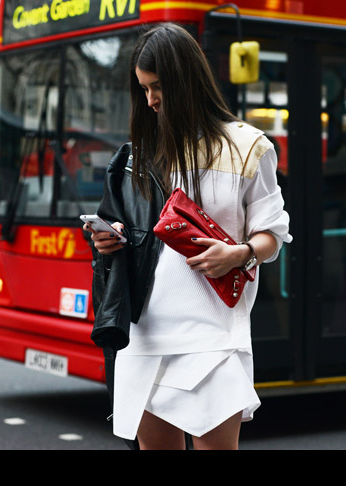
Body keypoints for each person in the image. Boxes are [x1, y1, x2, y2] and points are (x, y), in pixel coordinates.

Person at [85, 23, 292, 450]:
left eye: (158, 86)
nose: (151, 100)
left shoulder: (249, 147)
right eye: (143, 89)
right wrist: (112, 239)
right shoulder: (140, 154)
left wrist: (239, 254)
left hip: (212, 333)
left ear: (186, 80)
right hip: (144, 330)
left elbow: (272, 235)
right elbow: (137, 233)